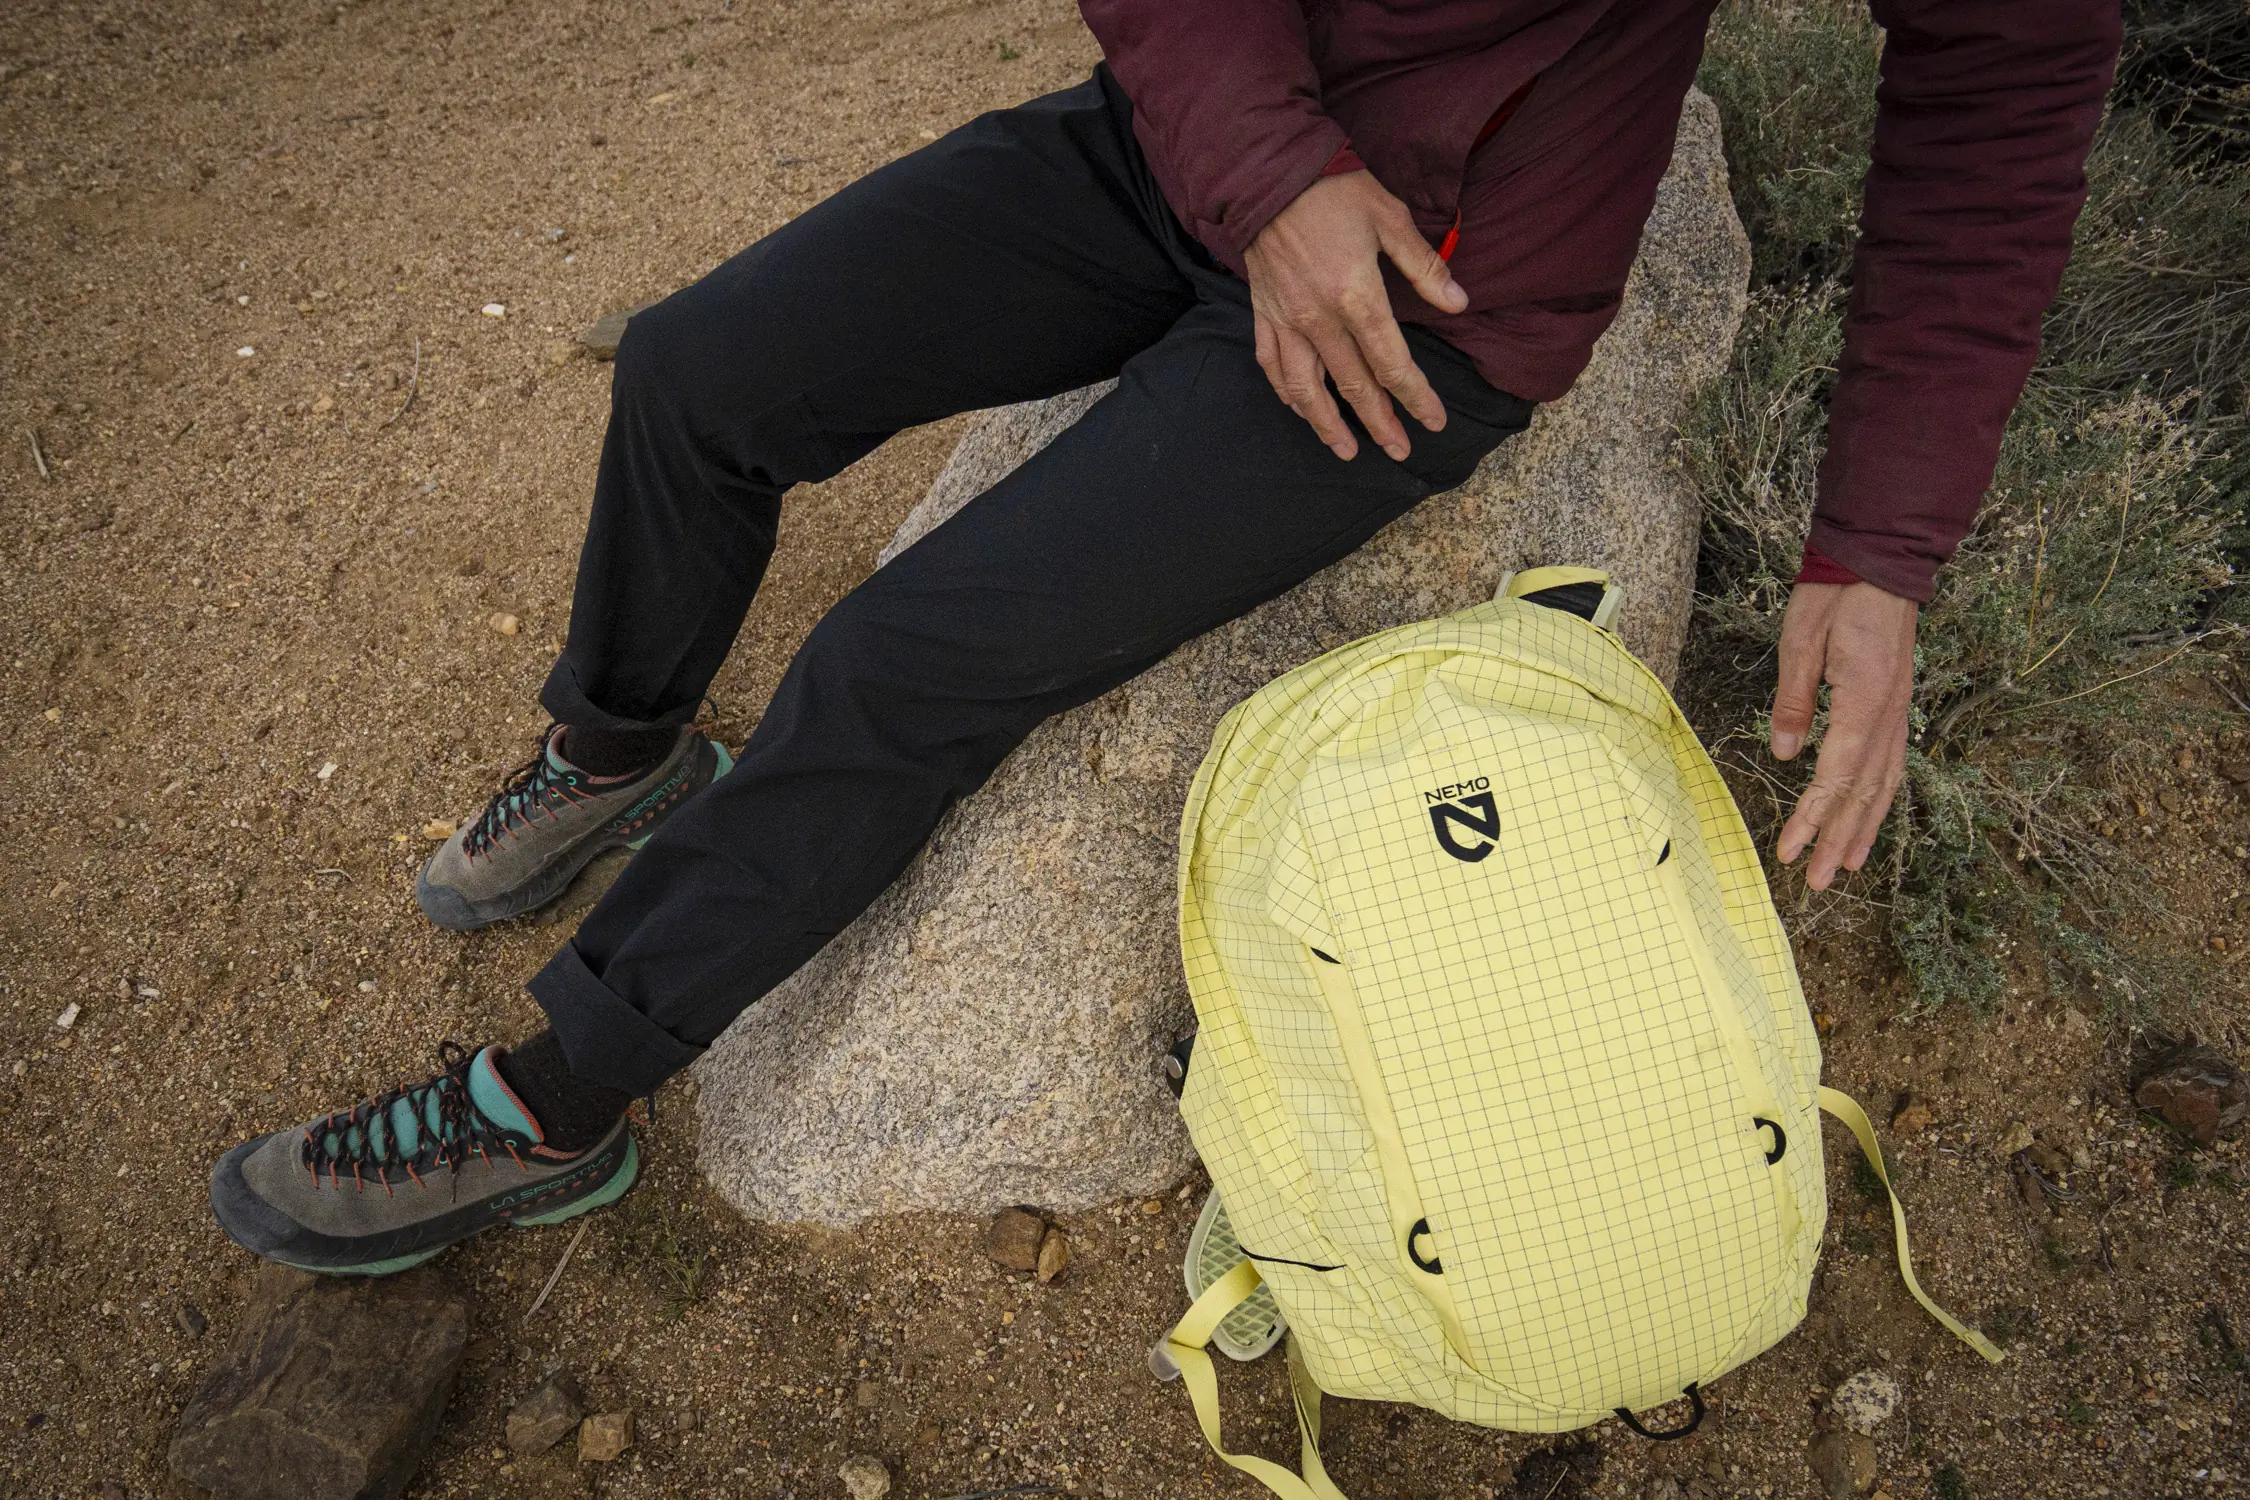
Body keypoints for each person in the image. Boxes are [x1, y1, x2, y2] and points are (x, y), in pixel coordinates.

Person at [208, 0, 2122, 1273]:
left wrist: (1880, 545)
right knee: (701, 372)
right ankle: (620, 750)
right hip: (1193, 141)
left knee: (908, 660)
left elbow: (2004, 84)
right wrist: (1268, 172)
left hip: (1437, 298)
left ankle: (554, 1105)